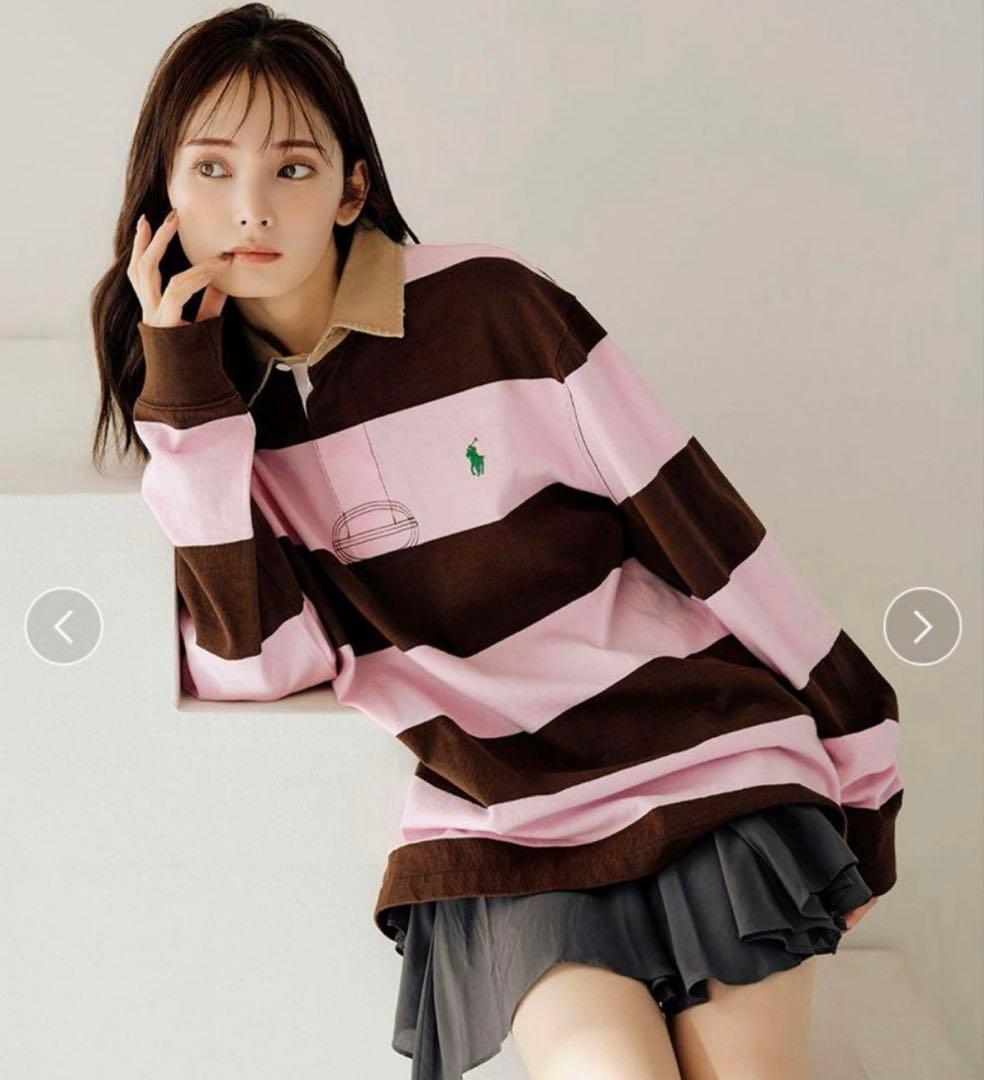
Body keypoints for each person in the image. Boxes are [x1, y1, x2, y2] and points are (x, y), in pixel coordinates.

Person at [90, 5, 903, 1078]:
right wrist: (188, 397)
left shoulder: (495, 307)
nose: (251, 207)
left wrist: (863, 761)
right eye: (210, 169)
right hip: (503, 817)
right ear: (163, 198)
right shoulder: (212, 416)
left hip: (706, 754)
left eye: (292, 168)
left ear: (351, 189)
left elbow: (703, 528)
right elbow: (260, 662)